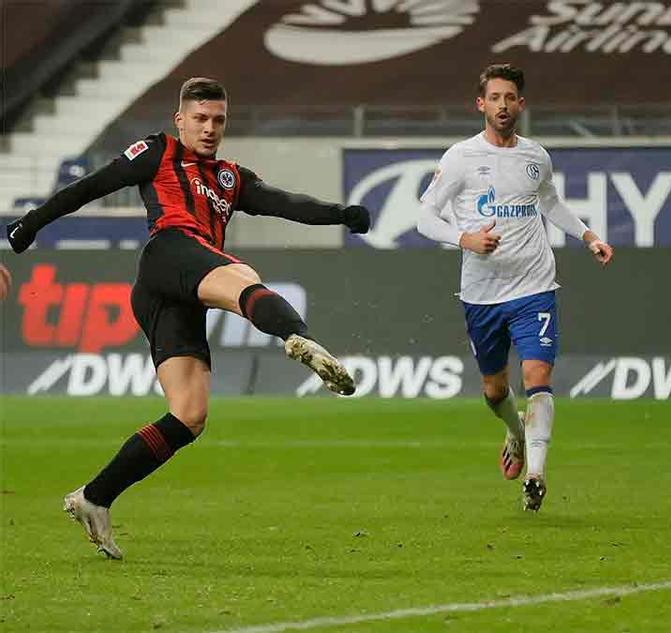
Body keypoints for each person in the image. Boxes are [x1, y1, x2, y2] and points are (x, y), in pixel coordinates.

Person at [4, 77, 368, 559]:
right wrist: (30, 224)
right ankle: (298, 338)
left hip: (173, 295)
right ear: (180, 120)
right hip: (168, 253)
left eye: (218, 119)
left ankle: (94, 497)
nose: (210, 127)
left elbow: (285, 203)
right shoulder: (157, 152)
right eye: (200, 118)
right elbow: (91, 186)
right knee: (243, 278)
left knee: (190, 416)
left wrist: (341, 213)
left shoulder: (230, 178)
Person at [416, 63, 613, 511]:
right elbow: (424, 216)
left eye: (511, 98)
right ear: (480, 104)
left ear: (521, 104)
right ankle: (515, 431)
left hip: (535, 285)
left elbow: (551, 203)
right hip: (482, 293)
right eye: (495, 98)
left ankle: (537, 474)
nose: (503, 106)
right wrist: (464, 239)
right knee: (494, 391)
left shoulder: (536, 157)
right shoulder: (460, 158)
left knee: (538, 377)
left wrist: (588, 236)